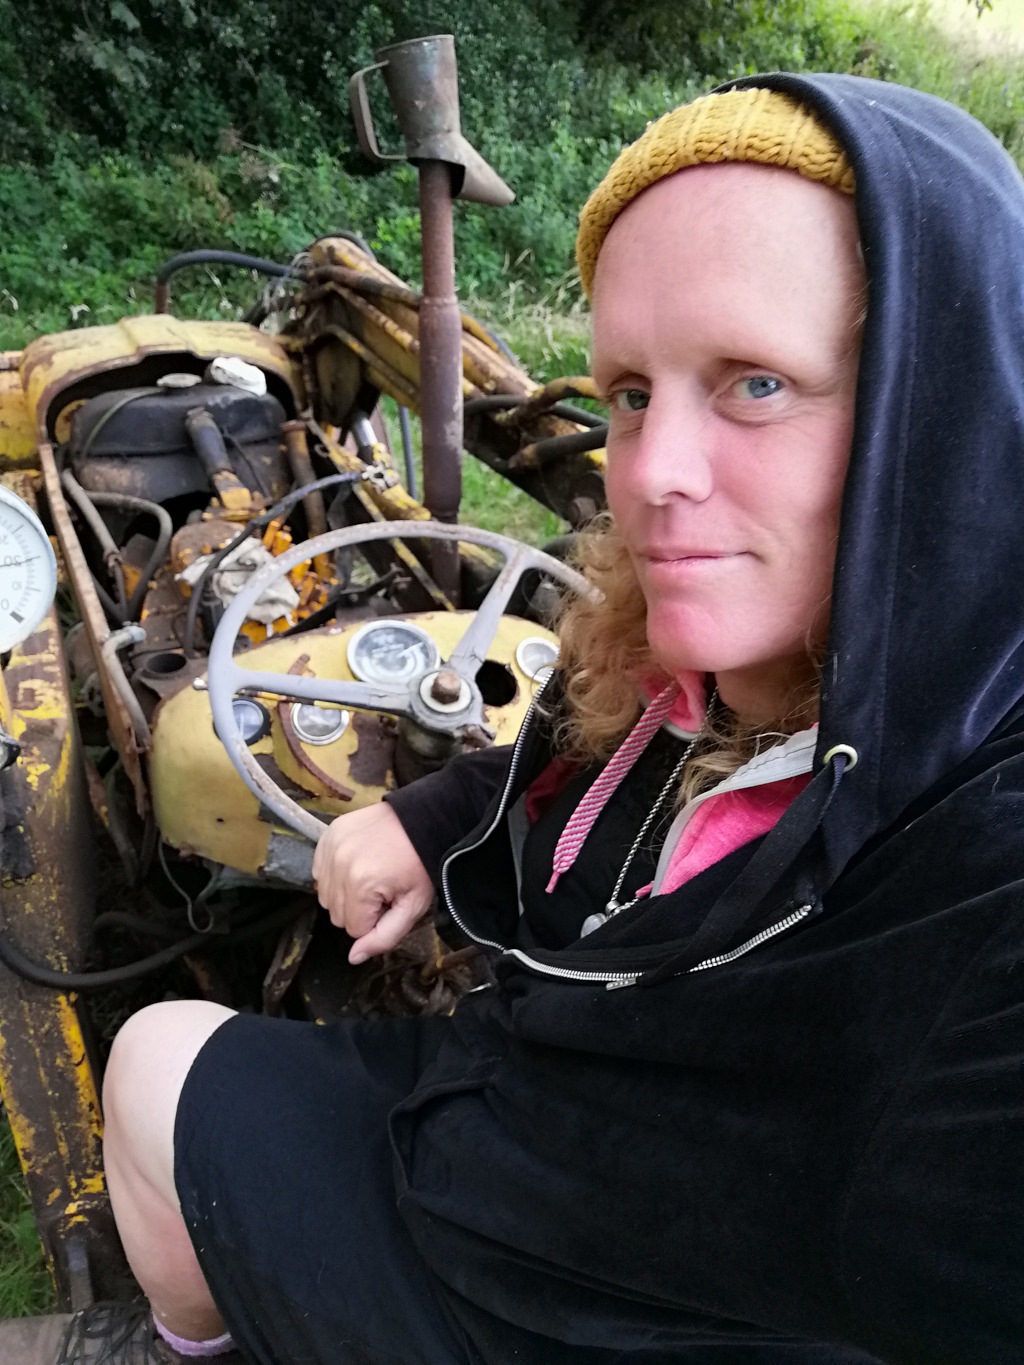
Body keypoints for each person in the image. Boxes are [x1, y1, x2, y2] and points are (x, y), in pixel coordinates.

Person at [14, 69, 1024, 1364]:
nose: (652, 475)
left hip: (526, 1299)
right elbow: (561, 763)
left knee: (151, 1059)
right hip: (501, 1121)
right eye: (632, 391)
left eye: (759, 382)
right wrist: (436, 819)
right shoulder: (684, 667)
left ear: (936, 414)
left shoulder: (979, 856)